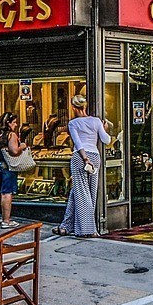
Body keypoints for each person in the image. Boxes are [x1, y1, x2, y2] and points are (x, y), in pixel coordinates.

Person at [55, 94, 111, 237]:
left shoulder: (73, 123)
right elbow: (106, 140)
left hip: (81, 157)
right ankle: (66, 226)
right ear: (85, 106)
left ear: (73, 107)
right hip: (95, 155)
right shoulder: (96, 121)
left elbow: (78, 143)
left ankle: (87, 229)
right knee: (86, 193)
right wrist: (105, 128)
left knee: (81, 194)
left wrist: (85, 159)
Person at [0, 111, 27, 228]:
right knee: (7, 193)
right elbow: (14, 151)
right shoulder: (11, 135)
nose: (15, 125)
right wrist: (22, 147)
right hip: (6, 166)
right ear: (8, 123)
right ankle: (6, 220)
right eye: (14, 123)